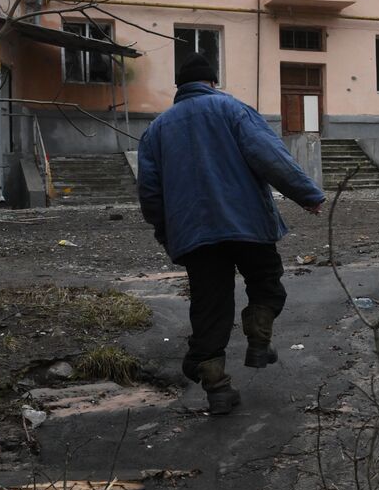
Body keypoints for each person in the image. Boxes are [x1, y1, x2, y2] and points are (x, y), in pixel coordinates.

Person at [137, 51, 325, 415]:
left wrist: (166, 230)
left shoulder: (157, 129)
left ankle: (217, 387)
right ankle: (258, 341)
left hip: (194, 232)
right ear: (211, 83)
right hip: (247, 224)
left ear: (181, 89)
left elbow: (149, 191)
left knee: (210, 305)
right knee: (266, 281)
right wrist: (307, 195)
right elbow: (270, 156)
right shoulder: (233, 109)